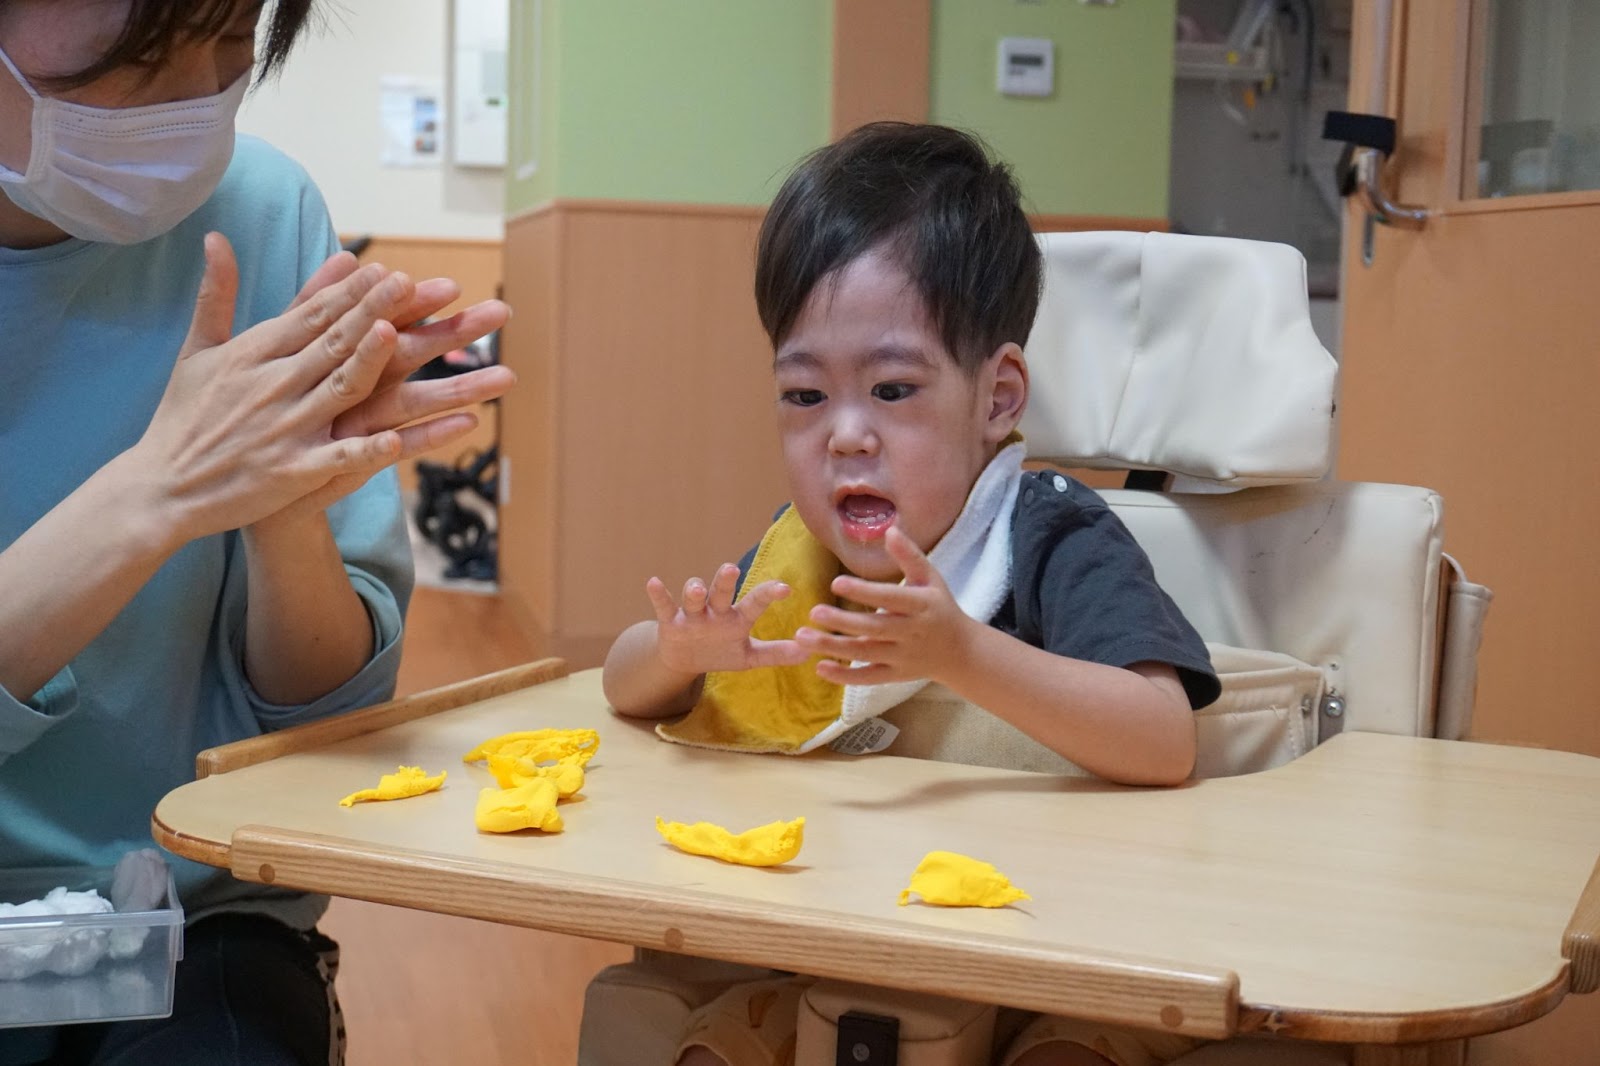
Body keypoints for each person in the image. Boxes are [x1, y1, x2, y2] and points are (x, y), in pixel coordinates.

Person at [602, 123, 1221, 1066]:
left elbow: (1163, 738)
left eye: (892, 389)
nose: (844, 434)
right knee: (716, 1042)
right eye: (804, 397)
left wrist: (961, 654)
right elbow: (621, 686)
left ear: (999, 397)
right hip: (836, 936)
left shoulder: (1047, 534)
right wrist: (681, 654)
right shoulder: (800, 553)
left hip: (1051, 941)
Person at [0, 1, 514, 1063]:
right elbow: (167, 484)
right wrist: (158, 491)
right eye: (139, 57)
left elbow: (320, 711)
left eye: (231, 42)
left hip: (190, 920)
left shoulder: (265, 214)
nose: (193, 95)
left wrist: (287, 515)